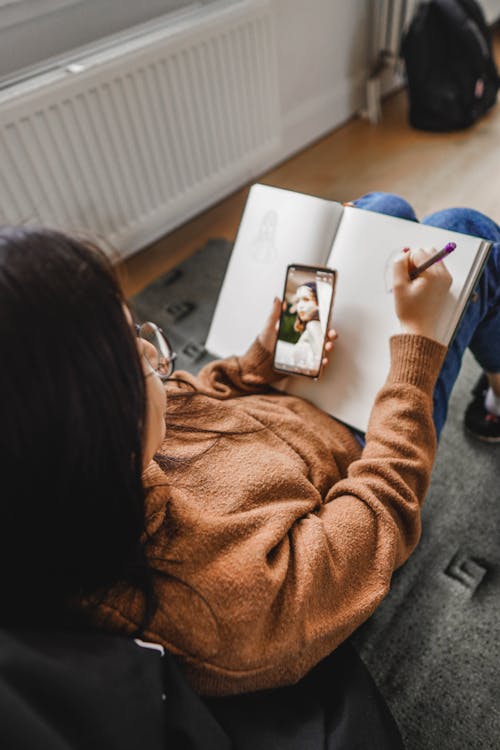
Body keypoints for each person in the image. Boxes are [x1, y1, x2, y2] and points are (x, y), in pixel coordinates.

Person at [1, 192, 499, 701]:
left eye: (133, 329)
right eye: (135, 359)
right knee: (463, 233)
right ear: (96, 433)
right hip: (361, 453)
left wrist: (259, 361)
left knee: (380, 212)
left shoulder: (80, 466)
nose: (153, 350)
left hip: (284, 403)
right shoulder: (217, 606)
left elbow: (198, 397)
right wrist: (418, 346)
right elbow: (378, 518)